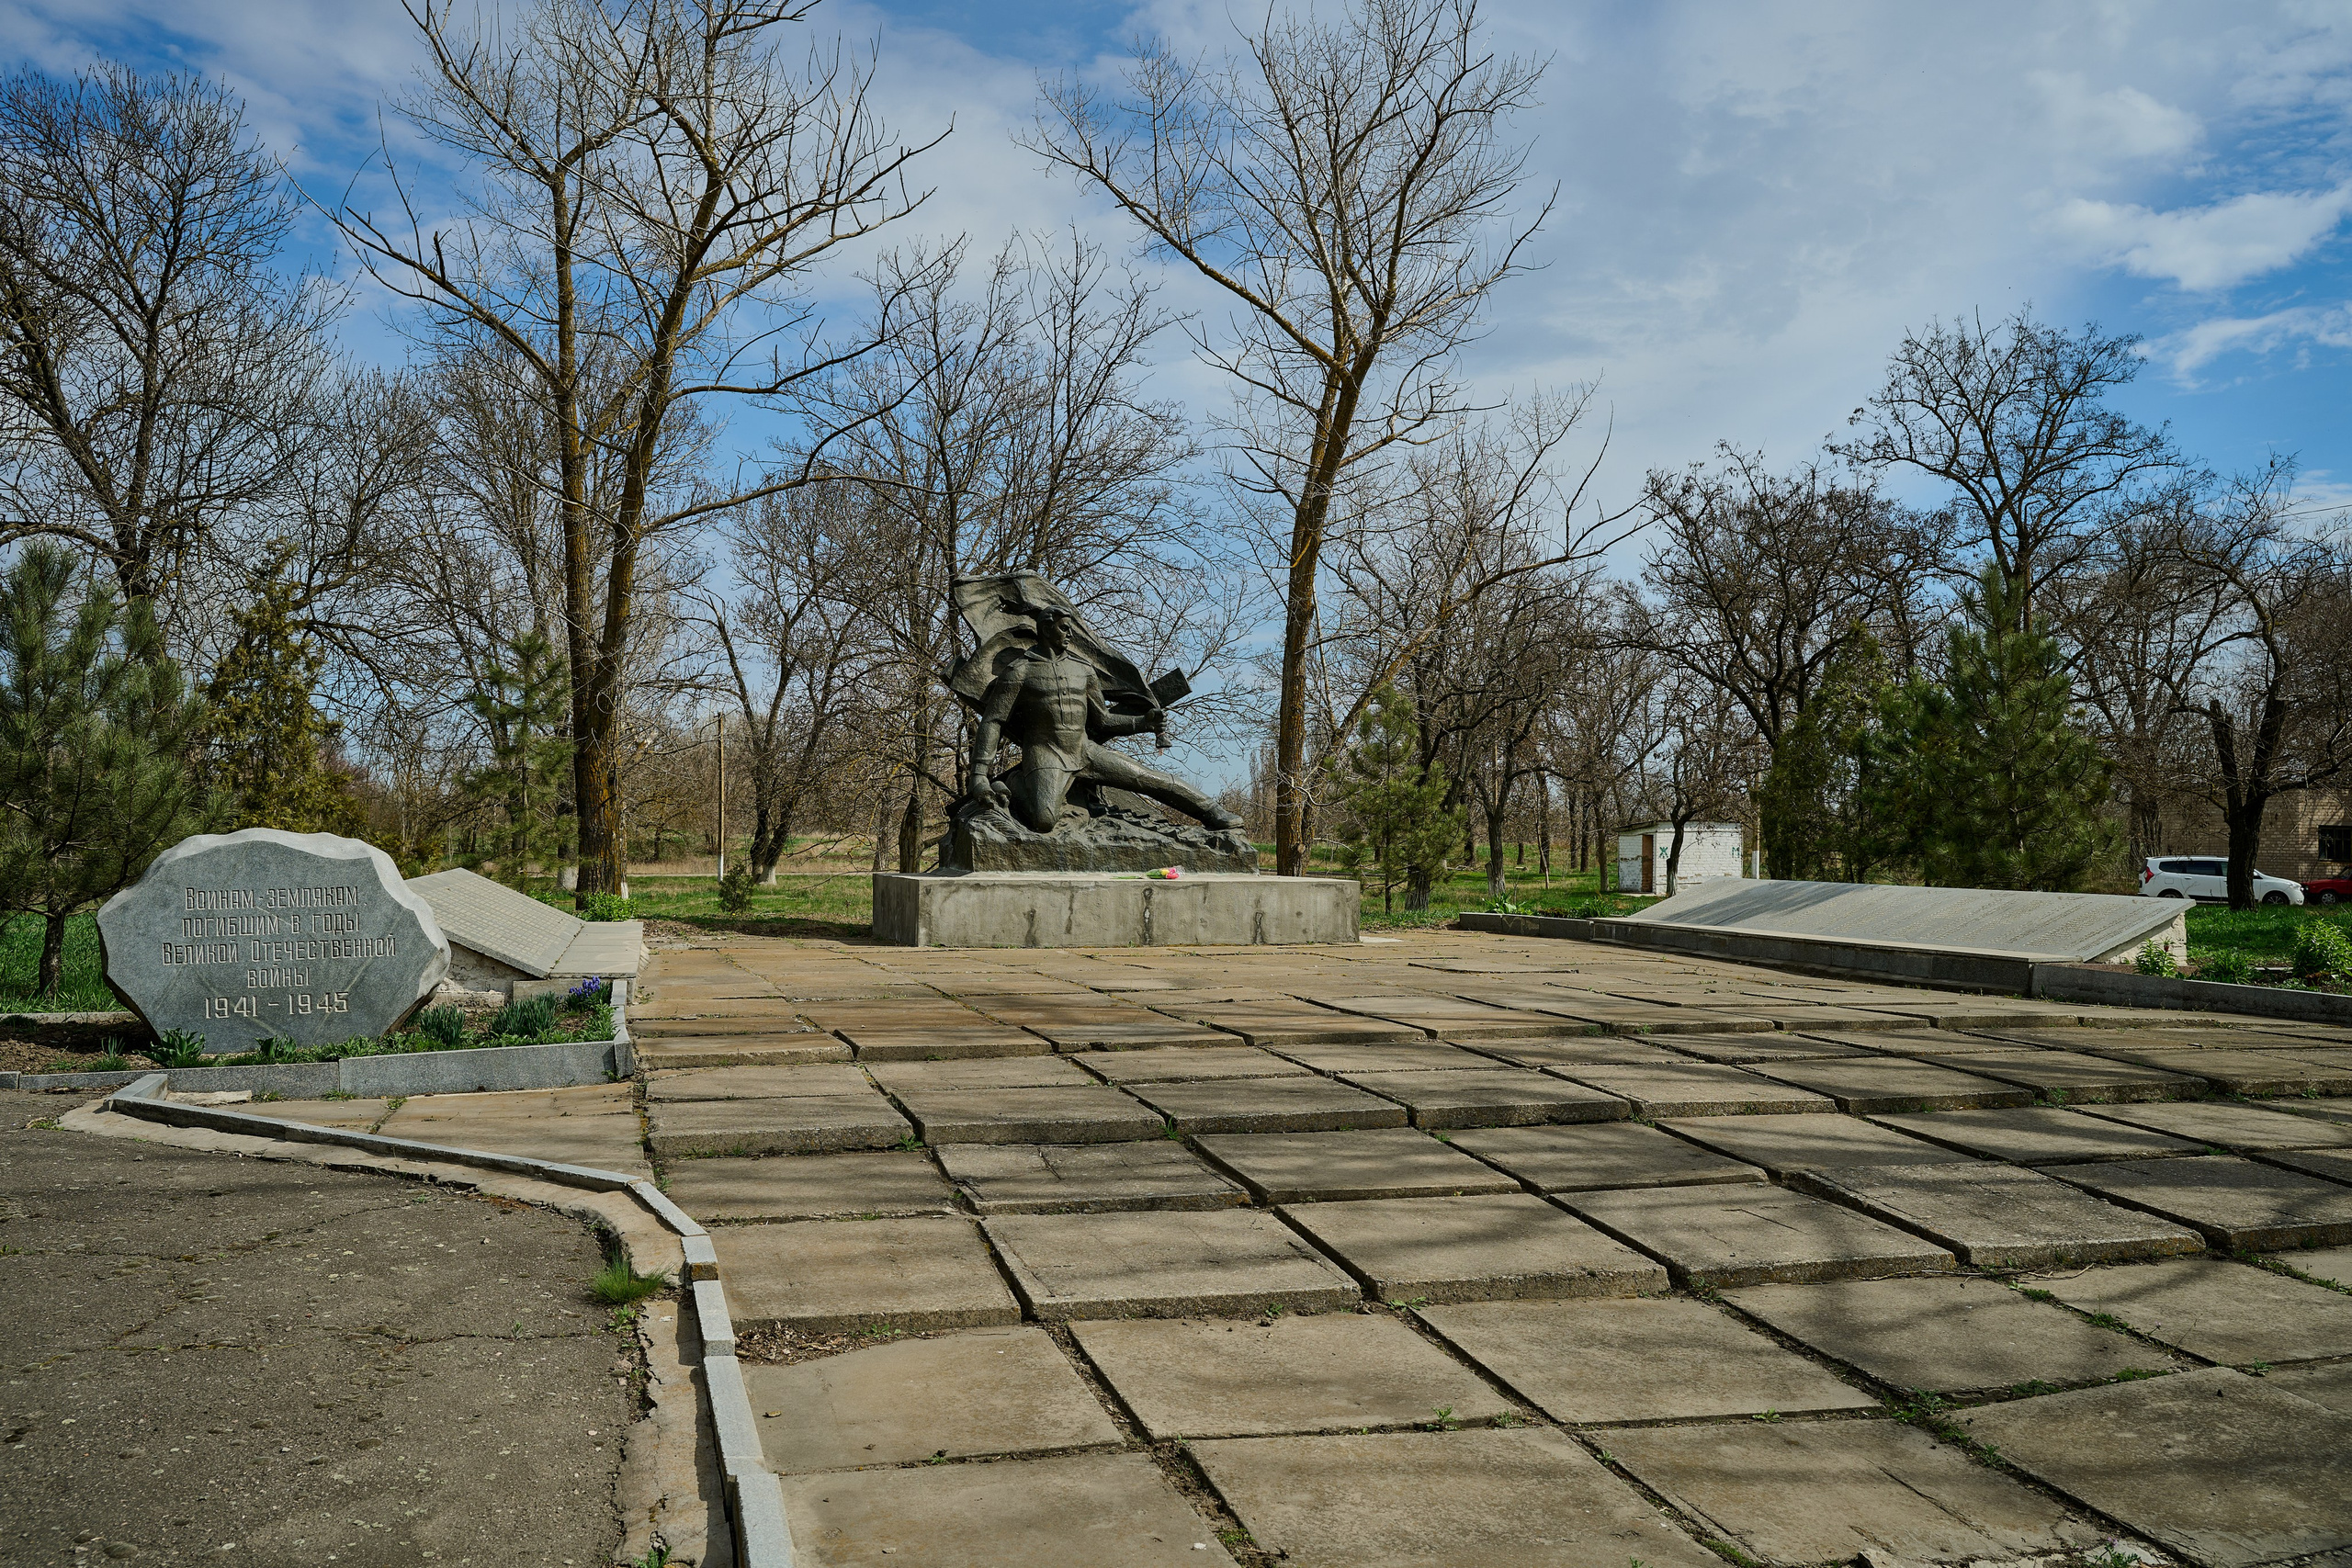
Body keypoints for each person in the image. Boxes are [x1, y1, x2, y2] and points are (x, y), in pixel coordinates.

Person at [964, 603, 1244, 833]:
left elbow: (1103, 720)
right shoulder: (1020, 671)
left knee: (1148, 778)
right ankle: (1016, 782)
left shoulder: (1083, 670)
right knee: (1044, 821)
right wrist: (979, 776)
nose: (1070, 634)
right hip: (1046, 755)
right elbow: (994, 721)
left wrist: (1142, 723)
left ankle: (1213, 812)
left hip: (1084, 750)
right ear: (1046, 628)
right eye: (1064, 628)